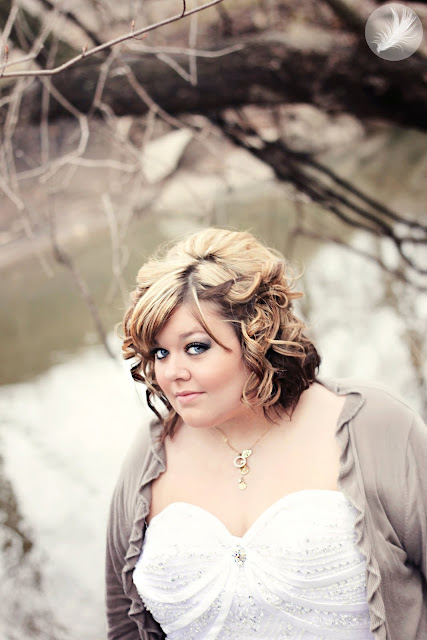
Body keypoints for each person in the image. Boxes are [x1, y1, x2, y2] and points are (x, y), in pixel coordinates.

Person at [106, 227, 427, 640]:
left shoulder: (374, 426)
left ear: (256, 335)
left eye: (196, 347)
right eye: (160, 352)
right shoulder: (149, 456)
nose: (171, 372)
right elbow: (123, 621)